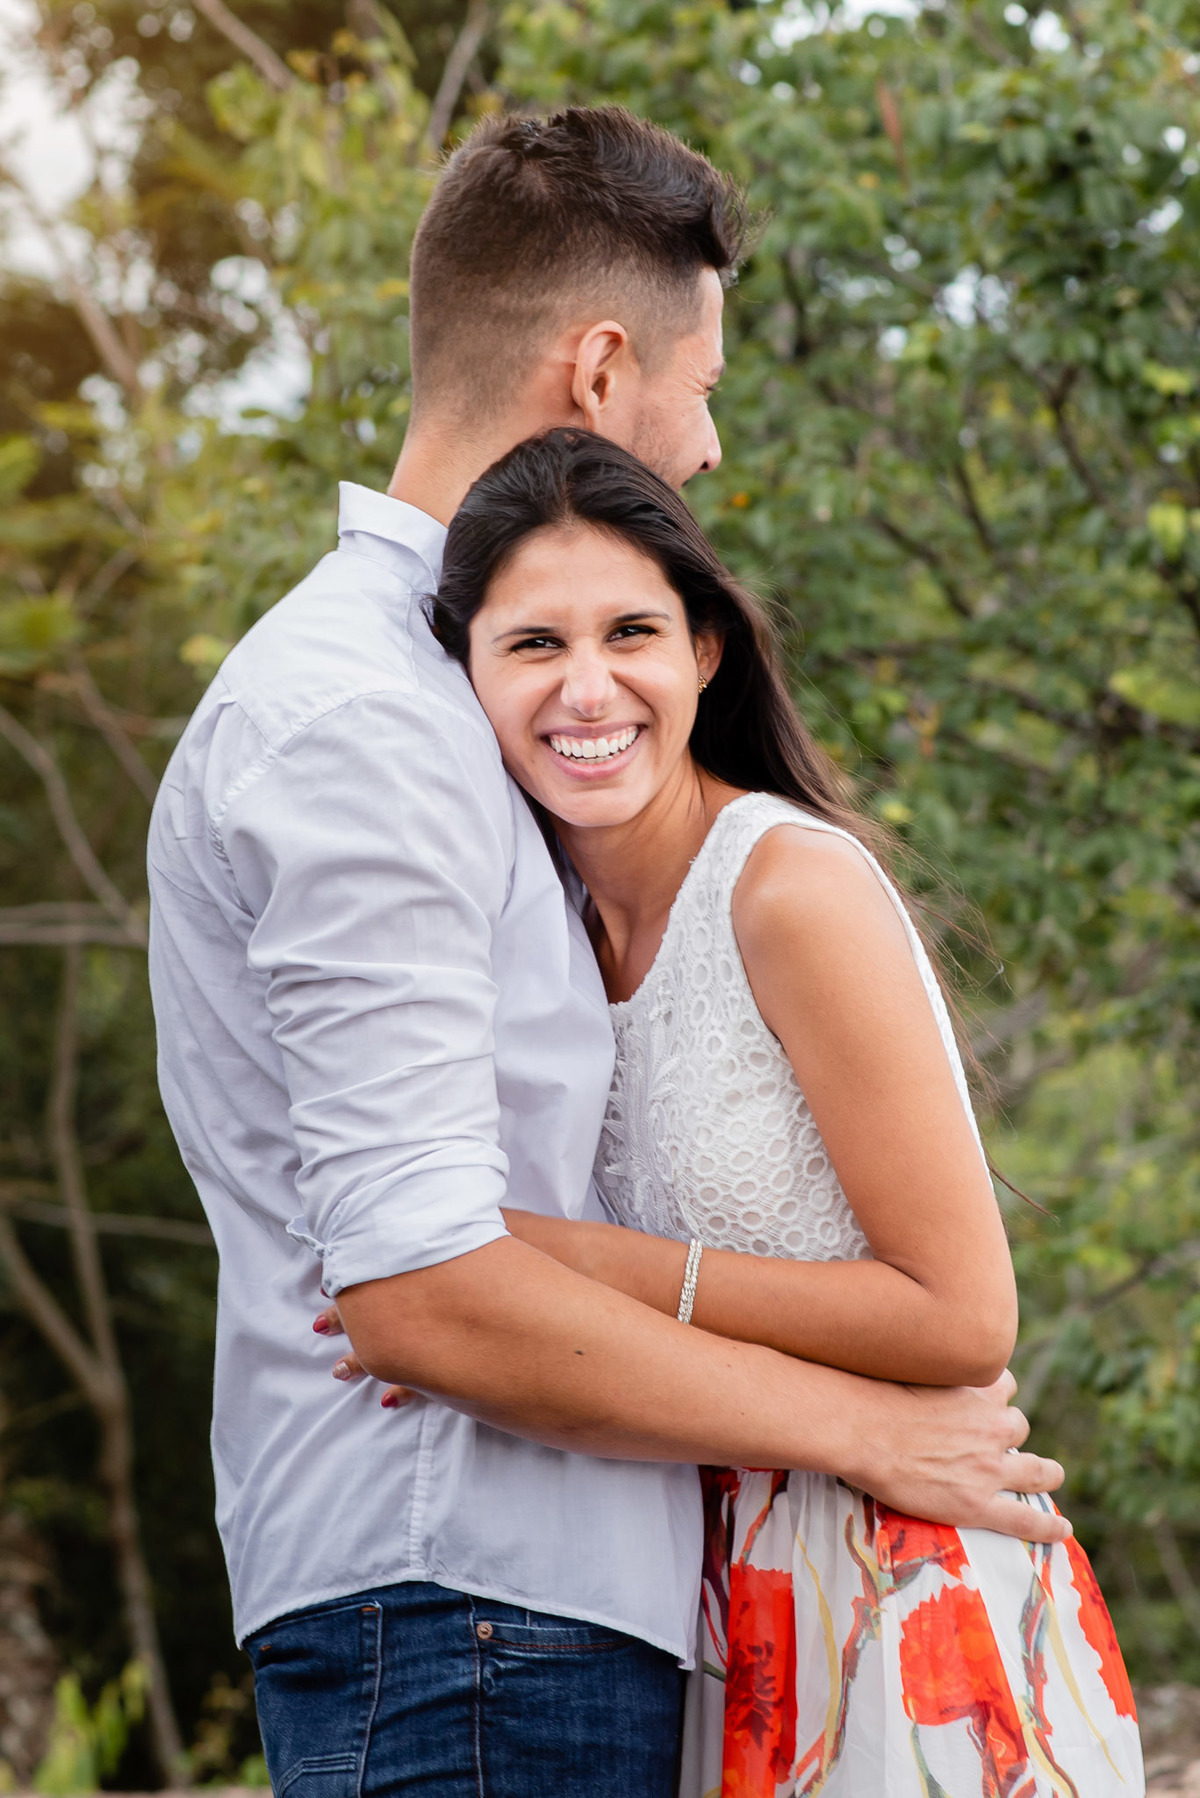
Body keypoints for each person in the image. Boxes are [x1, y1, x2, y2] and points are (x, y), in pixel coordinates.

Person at [147, 108, 1069, 1798]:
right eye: (701, 387)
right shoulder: (367, 720)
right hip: (467, 1608)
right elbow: (422, 1289)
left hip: (553, 1613)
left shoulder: (474, 716)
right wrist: (865, 1429)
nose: (707, 447)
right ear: (598, 369)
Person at [401, 424, 1144, 1797]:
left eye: (632, 630)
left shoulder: (788, 888)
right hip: (702, 1605)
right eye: (533, 644)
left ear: (704, 653)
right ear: (468, 673)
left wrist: (532, 1256)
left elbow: (965, 1311)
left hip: (906, 1580)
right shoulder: (528, 938)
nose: (588, 686)